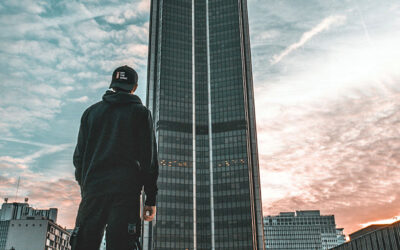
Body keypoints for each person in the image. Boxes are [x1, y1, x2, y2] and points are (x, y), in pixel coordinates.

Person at [71, 65, 159, 250]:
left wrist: (86, 186)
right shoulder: (141, 114)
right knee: (123, 244)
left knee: (84, 244)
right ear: (134, 87)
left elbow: (78, 158)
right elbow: (148, 160)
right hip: (125, 193)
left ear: (112, 84)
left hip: (93, 191)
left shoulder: (90, 113)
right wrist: (150, 198)